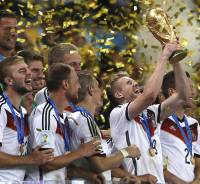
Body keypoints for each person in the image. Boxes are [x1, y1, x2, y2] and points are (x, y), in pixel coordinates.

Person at [107, 42, 190, 183]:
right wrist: (164, 56)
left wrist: (175, 60)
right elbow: (150, 95)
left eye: (134, 81)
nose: (135, 84)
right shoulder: (118, 113)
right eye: (128, 83)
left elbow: (183, 96)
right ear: (119, 94)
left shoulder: (151, 112)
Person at [27, 63, 101, 181]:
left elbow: (61, 162)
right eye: (76, 82)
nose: (79, 87)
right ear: (65, 84)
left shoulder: (61, 118)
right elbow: (46, 163)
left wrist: (89, 175)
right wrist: (81, 152)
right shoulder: (44, 115)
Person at [68, 71, 141, 183]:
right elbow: (99, 165)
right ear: (91, 90)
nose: (102, 92)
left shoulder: (78, 118)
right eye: (98, 87)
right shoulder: (84, 119)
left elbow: (96, 167)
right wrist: (127, 152)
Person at [0, 56, 54, 182]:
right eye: (22, 71)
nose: (29, 73)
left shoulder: (22, 112)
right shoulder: (1, 108)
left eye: (28, 70)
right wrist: (30, 159)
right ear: (9, 80)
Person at [160, 71, 200, 183]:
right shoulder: (159, 122)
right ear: (172, 92)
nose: (193, 92)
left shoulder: (194, 124)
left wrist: (197, 179)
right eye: (188, 88)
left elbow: (197, 159)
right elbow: (152, 160)